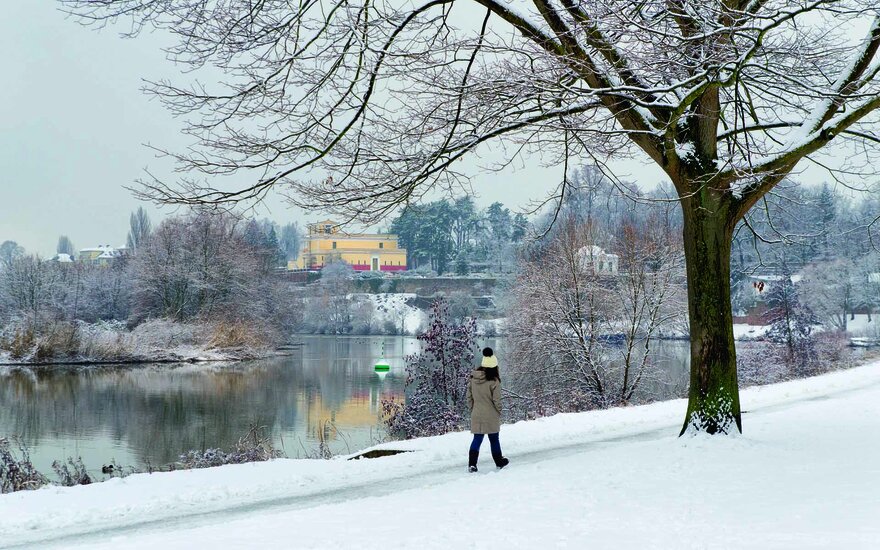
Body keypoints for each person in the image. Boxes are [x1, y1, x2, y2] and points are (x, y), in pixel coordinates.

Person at [466, 347, 509, 472]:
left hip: (476, 413)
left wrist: (472, 408)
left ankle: (472, 464)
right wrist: (499, 411)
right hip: (491, 414)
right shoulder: (494, 381)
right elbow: (497, 400)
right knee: (494, 439)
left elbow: (469, 396)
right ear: (495, 366)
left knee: (477, 439)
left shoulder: (473, 378)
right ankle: (499, 461)